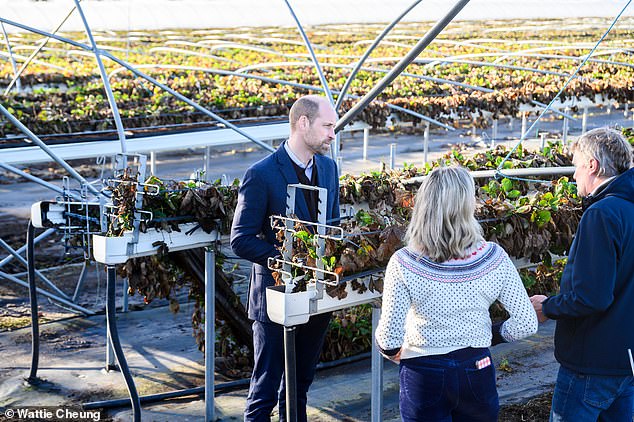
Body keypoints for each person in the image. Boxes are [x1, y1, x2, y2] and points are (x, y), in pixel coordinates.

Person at [375, 166, 538, 422]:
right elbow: (526, 323)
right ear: (467, 205)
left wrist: (392, 351)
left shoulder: (404, 262)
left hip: (422, 373)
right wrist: (487, 336)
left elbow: (389, 339)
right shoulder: (493, 258)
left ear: (424, 204)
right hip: (476, 367)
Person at [230, 94, 340, 422]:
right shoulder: (261, 174)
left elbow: (331, 226)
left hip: (315, 298)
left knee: (300, 384)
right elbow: (241, 239)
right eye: (327, 126)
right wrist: (289, 259)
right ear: (302, 123)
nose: (333, 134)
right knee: (265, 387)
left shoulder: (329, 168)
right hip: (274, 299)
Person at [530, 127, 634, 422]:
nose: (573, 175)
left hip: (592, 363)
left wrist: (547, 307)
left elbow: (593, 297)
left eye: (576, 166)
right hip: (626, 361)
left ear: (592, 166)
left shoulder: (602, 214)